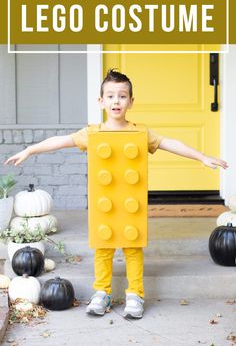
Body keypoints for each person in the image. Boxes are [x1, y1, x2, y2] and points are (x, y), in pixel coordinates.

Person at [5, 69, 228, 319]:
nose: (116, 101)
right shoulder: (91, 133)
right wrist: (30, 150)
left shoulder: (142, 133)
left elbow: (170, 143)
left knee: (133, 250)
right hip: (106, 205)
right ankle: (102, 292)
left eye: (122, 96)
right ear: (101, 101)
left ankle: (135, 295)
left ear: (131, 101)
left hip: (130, 204)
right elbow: (60, 140)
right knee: (103, 249)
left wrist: (202, 157)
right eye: (110, 96)